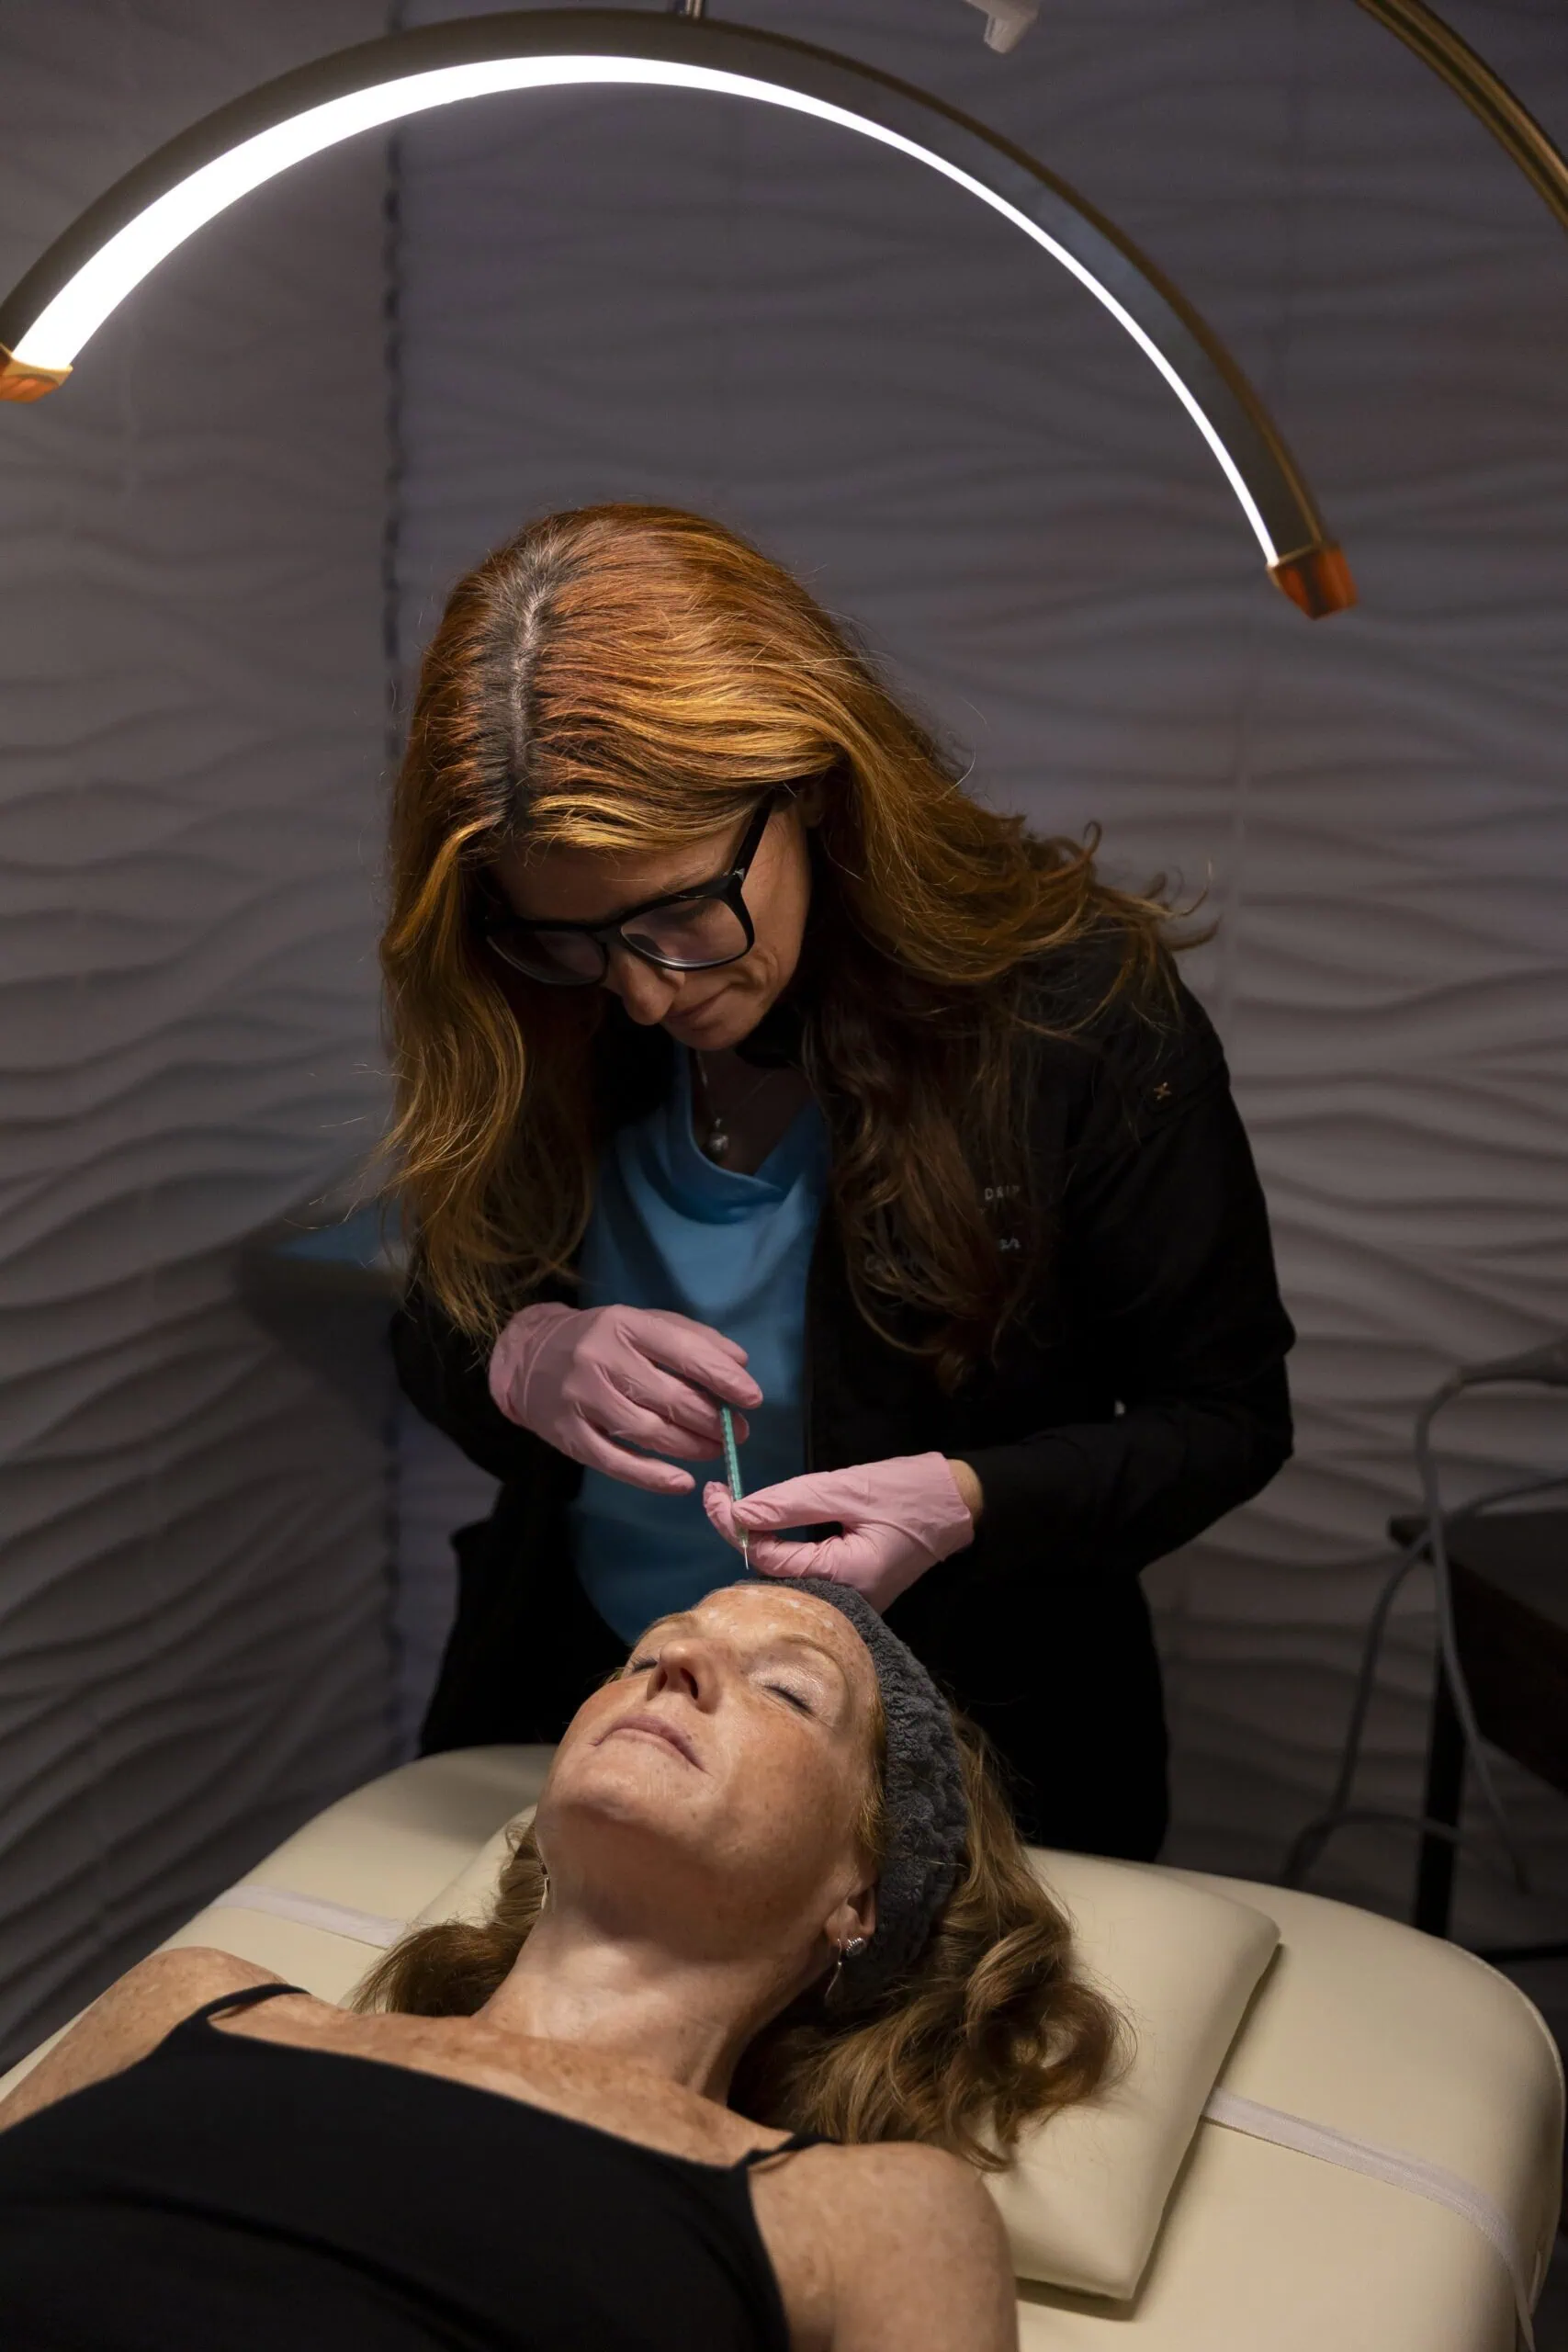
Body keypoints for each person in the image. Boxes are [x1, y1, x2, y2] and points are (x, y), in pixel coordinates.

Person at [385, 503, 1295, 1856]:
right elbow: (437, 1322)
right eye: (573, 939)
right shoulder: (537, 998)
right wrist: (518, 1356)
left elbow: (1223, 1419)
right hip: (582, 1700)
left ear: (809, 789)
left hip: (961, 1745)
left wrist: (969, 1504)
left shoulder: (1072, 1014)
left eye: (681, 913)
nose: (639, 993)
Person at [0, 1579, 1119, 2352]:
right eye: (647, 1651)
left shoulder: (868, 2213)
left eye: (787, 1688)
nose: (673, 1659)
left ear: (863, 1895)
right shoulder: (193, 1998)